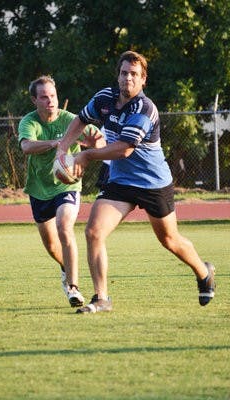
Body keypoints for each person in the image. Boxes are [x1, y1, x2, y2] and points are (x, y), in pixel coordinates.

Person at [56, 51, 216, 313]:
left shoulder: (145, 108)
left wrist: (85, 155)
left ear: (143, 80)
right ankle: (102, 298)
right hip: (121, 182)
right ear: (117, 76)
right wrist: (62, 148)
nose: (127, 78)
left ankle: (203, 271)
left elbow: (124, 149)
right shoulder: (104, 98)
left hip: (153, 183)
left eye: (134, 74)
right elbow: (81, 119)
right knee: (94, 231)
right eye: (123, 73)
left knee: (170, 240)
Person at [18, 75, 104, 308]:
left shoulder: (72, 121)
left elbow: (100, 142)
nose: (50, 101)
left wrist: (95, 143)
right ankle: (67, 267)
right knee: (52, 246)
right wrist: (59, 143)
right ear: (34, 100)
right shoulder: (29, 122)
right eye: (44, 97)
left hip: (68, 185)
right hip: (39, 190)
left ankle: (73, 287)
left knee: (64, 226)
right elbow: (26, 146)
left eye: (53, 96)